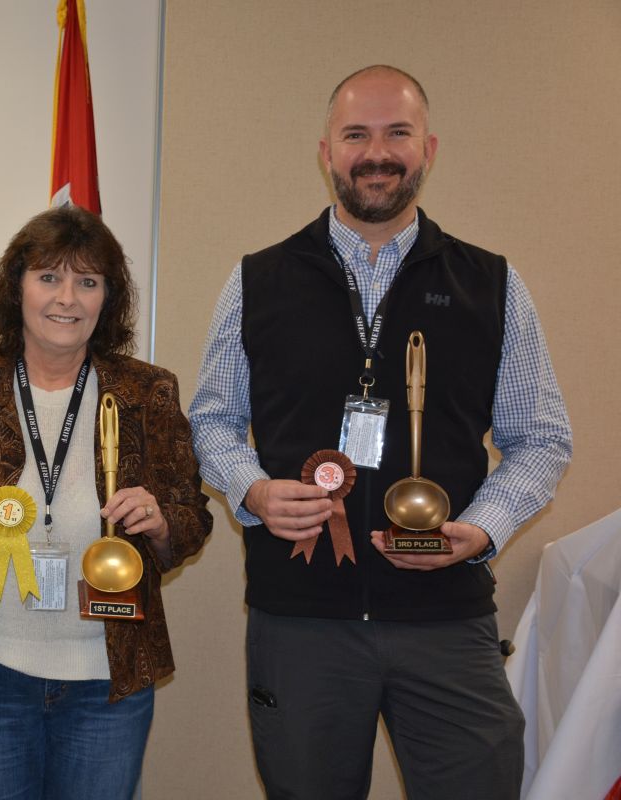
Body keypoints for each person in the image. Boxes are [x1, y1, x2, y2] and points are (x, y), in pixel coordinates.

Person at [190, 65, 572, 799]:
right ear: (326, 152)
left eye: (397, 133)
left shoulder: (491, 283)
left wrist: (483, 530)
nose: (377, 153)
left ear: (428, 148)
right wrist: (255, 492)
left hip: (446, 618)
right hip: (301, 621)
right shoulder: (257, 280)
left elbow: (542, 438)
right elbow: (212, 420)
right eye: (355, 135)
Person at [0, 205, 211, 800]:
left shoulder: (147, 390)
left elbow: (192, 515)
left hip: (108, 679)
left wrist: (162, 522)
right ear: (17, 288)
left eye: (88, 281)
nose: (67, 298)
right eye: (49, 277)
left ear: (109, 297)